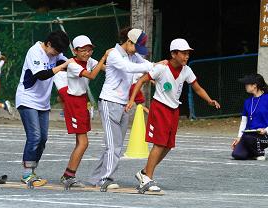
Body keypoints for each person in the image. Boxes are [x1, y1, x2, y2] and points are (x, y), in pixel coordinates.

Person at [126, 38, 220, 192]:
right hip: (160, 108)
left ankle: (144, 173)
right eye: (183, 53)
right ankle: (146, 179)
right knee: (160, 143)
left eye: (188, 53)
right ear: (173, 54)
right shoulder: (162, 68)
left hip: (174, 110)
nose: (186, 56)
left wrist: (209, 100)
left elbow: (197, 88)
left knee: (168, 145)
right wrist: (131, 100)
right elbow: (141, 81)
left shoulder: (187, 70)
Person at [88, 27, 166, 189]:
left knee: (116, 145)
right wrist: (152, 67)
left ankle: (96, 178)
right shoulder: (114, 54)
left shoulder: (133, 55)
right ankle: (106, 178)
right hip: (109, 102)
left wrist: (158, 65)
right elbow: (128, 68)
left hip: (123, 105)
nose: (137, 52)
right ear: (128, 42)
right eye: (136, 47)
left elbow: (145, 64)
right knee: (113, 145)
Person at [15, 30, 71, 187]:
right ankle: (27, 174)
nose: (57, 54)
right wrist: (64, 65)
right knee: (35, 137)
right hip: (27, 99)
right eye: (56, 51)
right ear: (48, 44)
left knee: (43, 139)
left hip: (43, 103)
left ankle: (32, 171)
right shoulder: (35, 52)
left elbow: (66, 63)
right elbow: (41, 75)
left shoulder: (55, 53)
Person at [59, 35, 111, 188]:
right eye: (83, 50)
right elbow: (92, 75)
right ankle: (68, 175)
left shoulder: (89, 60)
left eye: (89, 50)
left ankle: (68, 175)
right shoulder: (73, 64)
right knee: (83, 142)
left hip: (82, 101)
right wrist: (103, 57)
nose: (87, 53)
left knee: (80, 142)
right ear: (75, 51)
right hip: (73, 102)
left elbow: (105, 68)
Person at [231, 74, 268, 160]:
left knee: (247, 137)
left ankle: (260, 152)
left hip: (264, 135)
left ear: (255, 85)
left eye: (247, 83)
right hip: (249, 135)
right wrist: (239, 137)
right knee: (237, 154)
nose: (245, 86)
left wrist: (265, 130)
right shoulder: (247, 102)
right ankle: (254, 152)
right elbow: (244, 121)